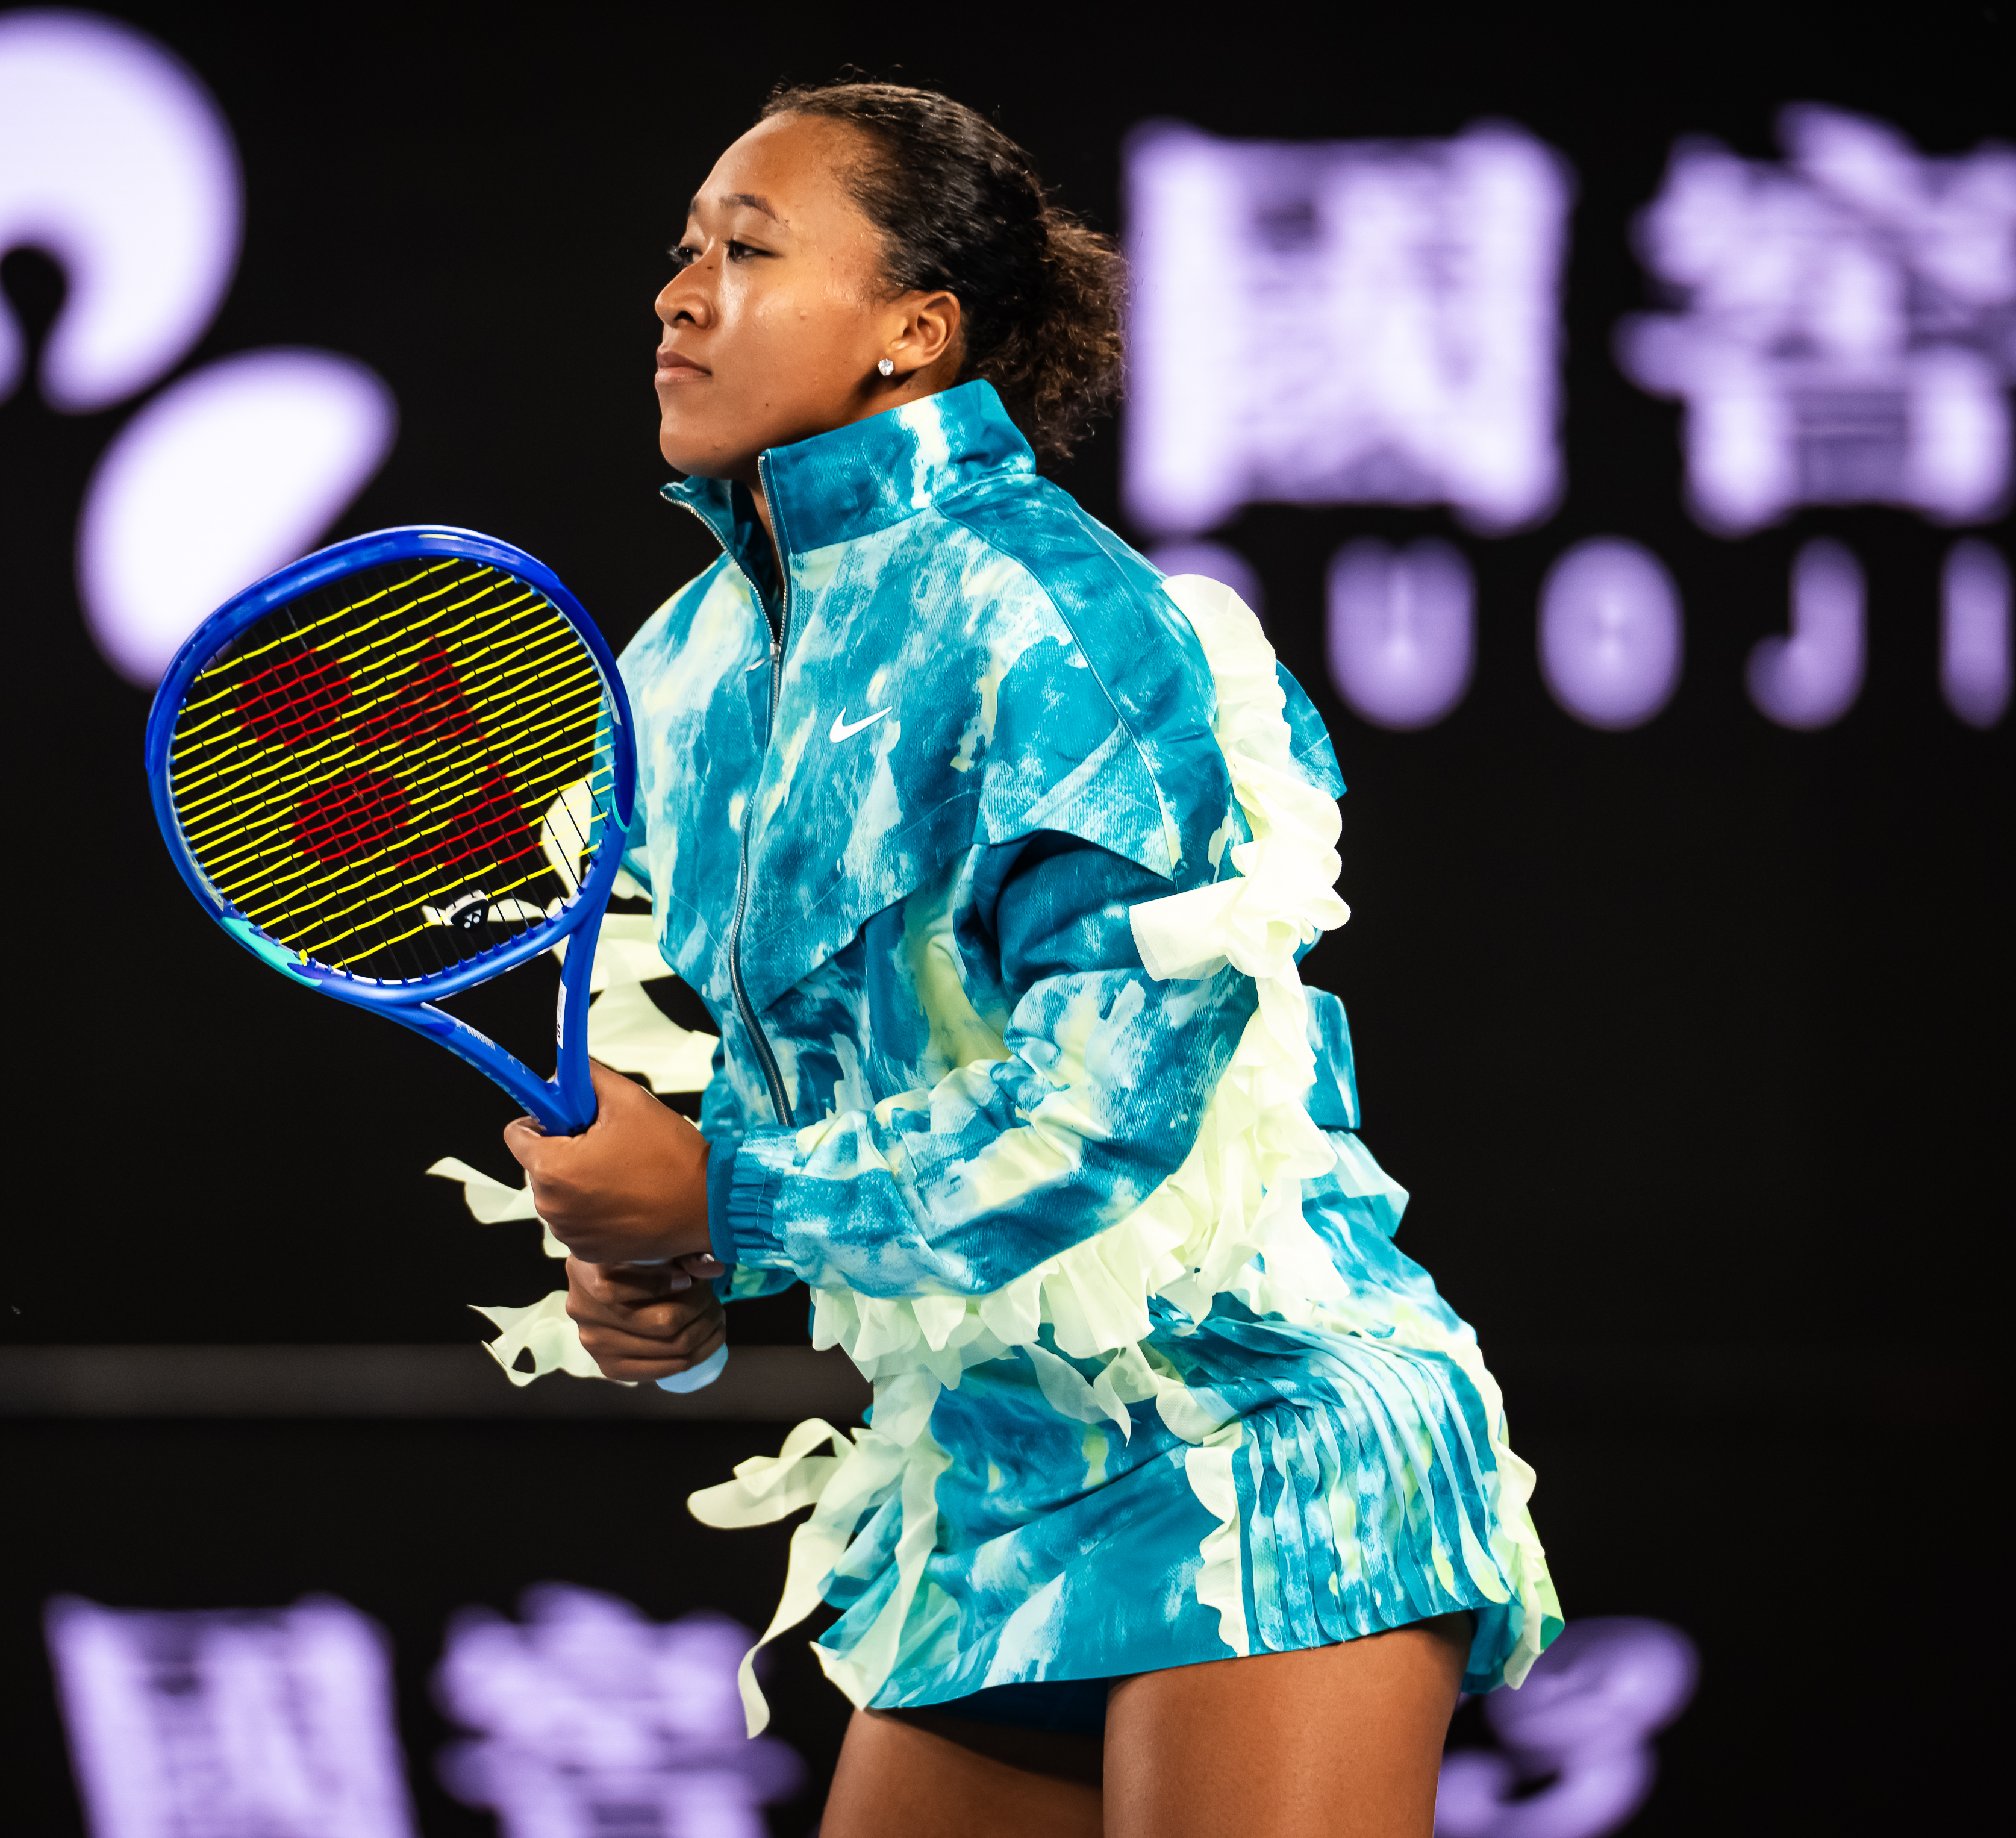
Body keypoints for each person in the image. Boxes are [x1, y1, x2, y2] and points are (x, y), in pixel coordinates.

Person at [503, 81, 1561, 1838]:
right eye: (684, 249)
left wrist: (721, 1199)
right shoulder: (682, 672)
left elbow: (1097, 1114)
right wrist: (674, 1269)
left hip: (1260, 1437)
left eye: (748, 250)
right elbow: (830, 1117)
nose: (680, 293)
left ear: (911, 335)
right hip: (987, 1485)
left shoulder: (1060, 620)